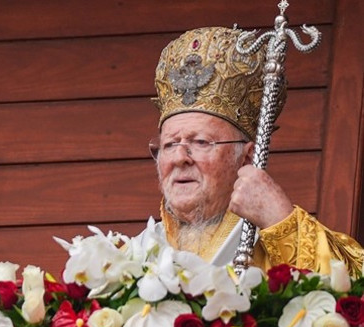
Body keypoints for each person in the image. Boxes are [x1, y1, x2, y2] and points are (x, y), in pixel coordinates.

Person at [146, 26, 363, 276]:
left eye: (201, 142)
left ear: (247, 157)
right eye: (170, 144)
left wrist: (282, 222)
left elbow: (352, 289)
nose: (180, 158)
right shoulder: (134, 254)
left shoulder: (273, 235)